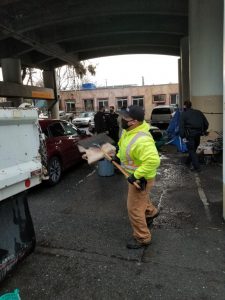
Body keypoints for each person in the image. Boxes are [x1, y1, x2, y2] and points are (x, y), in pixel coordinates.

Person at [113, 105, 160, 249]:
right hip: (134, 175)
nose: (120, 119)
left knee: (133, 208)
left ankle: (142, 237)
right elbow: (125, 149)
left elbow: (153, 161)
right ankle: (151, 212)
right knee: (142, 198)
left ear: (133, 121)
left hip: (141, 178)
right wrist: (117, 156)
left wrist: (136, 176)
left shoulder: (142, 140)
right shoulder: (129, 131)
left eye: (123, 117)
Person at [179, 100, 209, 172]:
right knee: (193, 149)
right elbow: (206, 124)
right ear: (191, 105)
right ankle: (188, 162)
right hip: (198, 134)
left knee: (191, 150)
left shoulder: (184, 114)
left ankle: (197, 168)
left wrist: (182, 136)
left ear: (184, 106)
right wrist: (203, 131)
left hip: (190, 135)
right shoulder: (199, 112)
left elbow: (181, 127)